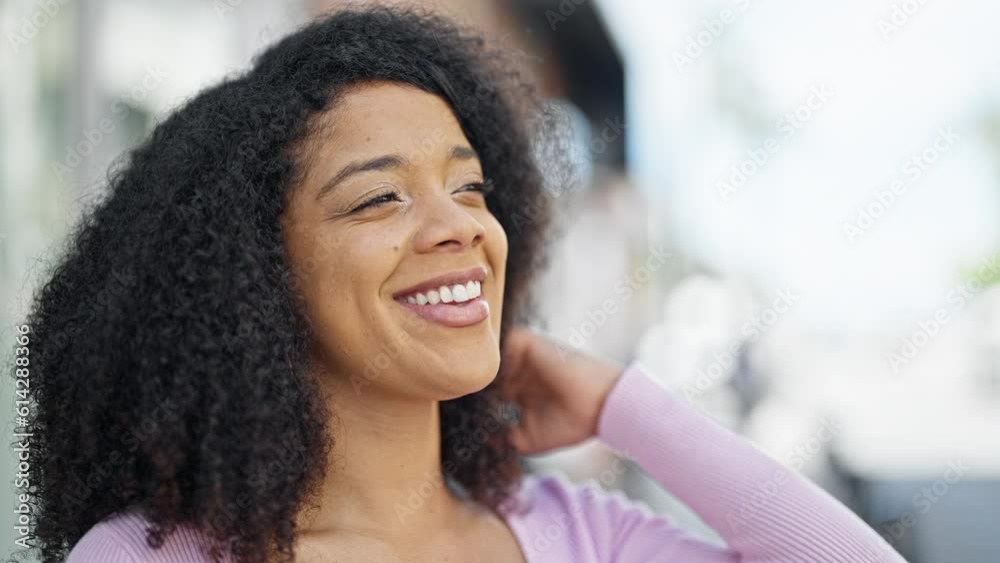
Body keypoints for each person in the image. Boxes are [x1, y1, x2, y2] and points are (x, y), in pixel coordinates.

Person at [21, 7, 905, 563]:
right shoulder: (147, 554)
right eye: (379, 198)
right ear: (256, 278)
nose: (463, 227)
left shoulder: (574, 534)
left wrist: (626, 407)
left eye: (471, 186)